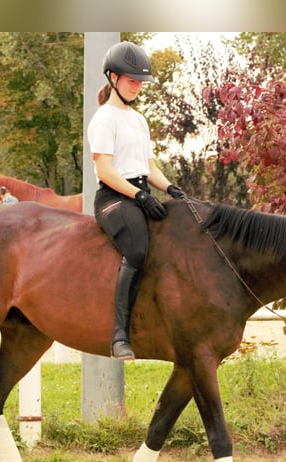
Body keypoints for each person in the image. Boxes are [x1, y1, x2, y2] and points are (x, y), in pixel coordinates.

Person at [88, 41, 186, 361]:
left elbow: (149, 167)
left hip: (139, 191)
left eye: (140, 81)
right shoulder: (104, 119)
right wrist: (140, 196)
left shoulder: (139, 120)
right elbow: (105, 169)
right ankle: (119, 335)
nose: (137, 86)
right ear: (113, 78)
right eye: (132, 80)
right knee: (139, 248)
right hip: (114, 197)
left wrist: (171, 189)